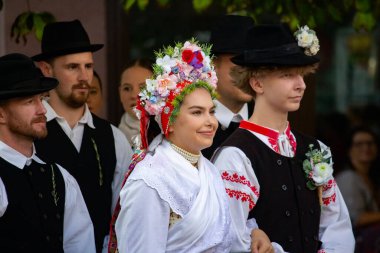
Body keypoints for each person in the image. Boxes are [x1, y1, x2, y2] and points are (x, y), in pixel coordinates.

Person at [108, 40, 276, 253]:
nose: (210, 122)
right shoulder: (150, 181)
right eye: (197, 112)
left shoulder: (209, 171)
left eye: (212, 111)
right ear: (170, 122)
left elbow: (224, 238)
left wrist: (253, 233)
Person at [212, 24, 355, 252]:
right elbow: (229, 238)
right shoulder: (236, 157)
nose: (301, 85)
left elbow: (336, 225)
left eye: (301, 74)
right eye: (287, 75)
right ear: (257, 83)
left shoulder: (315, 149)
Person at [31, 19, 133, 253]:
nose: (84, 76)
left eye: (88, 66)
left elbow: (124, 211)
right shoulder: (29, 132)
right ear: (47, 69)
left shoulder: (113, 138)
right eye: (72, 67)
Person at [0, 53, 95, 252]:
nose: (42, 110)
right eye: (29, 102)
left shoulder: (59, 176)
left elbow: (80, 245)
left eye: (41, 99)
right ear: (1, 113)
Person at [202, 15, 254, 159]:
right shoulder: (191, 123)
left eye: (254, 66)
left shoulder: (267, 122)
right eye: (240, 66)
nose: (248, 75)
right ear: (213, 65)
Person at [118, 58, 153, 149]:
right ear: (120, 93)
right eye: (127, 88)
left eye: (143, 88)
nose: (134, 95)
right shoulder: (111, 137)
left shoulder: (172, 136)